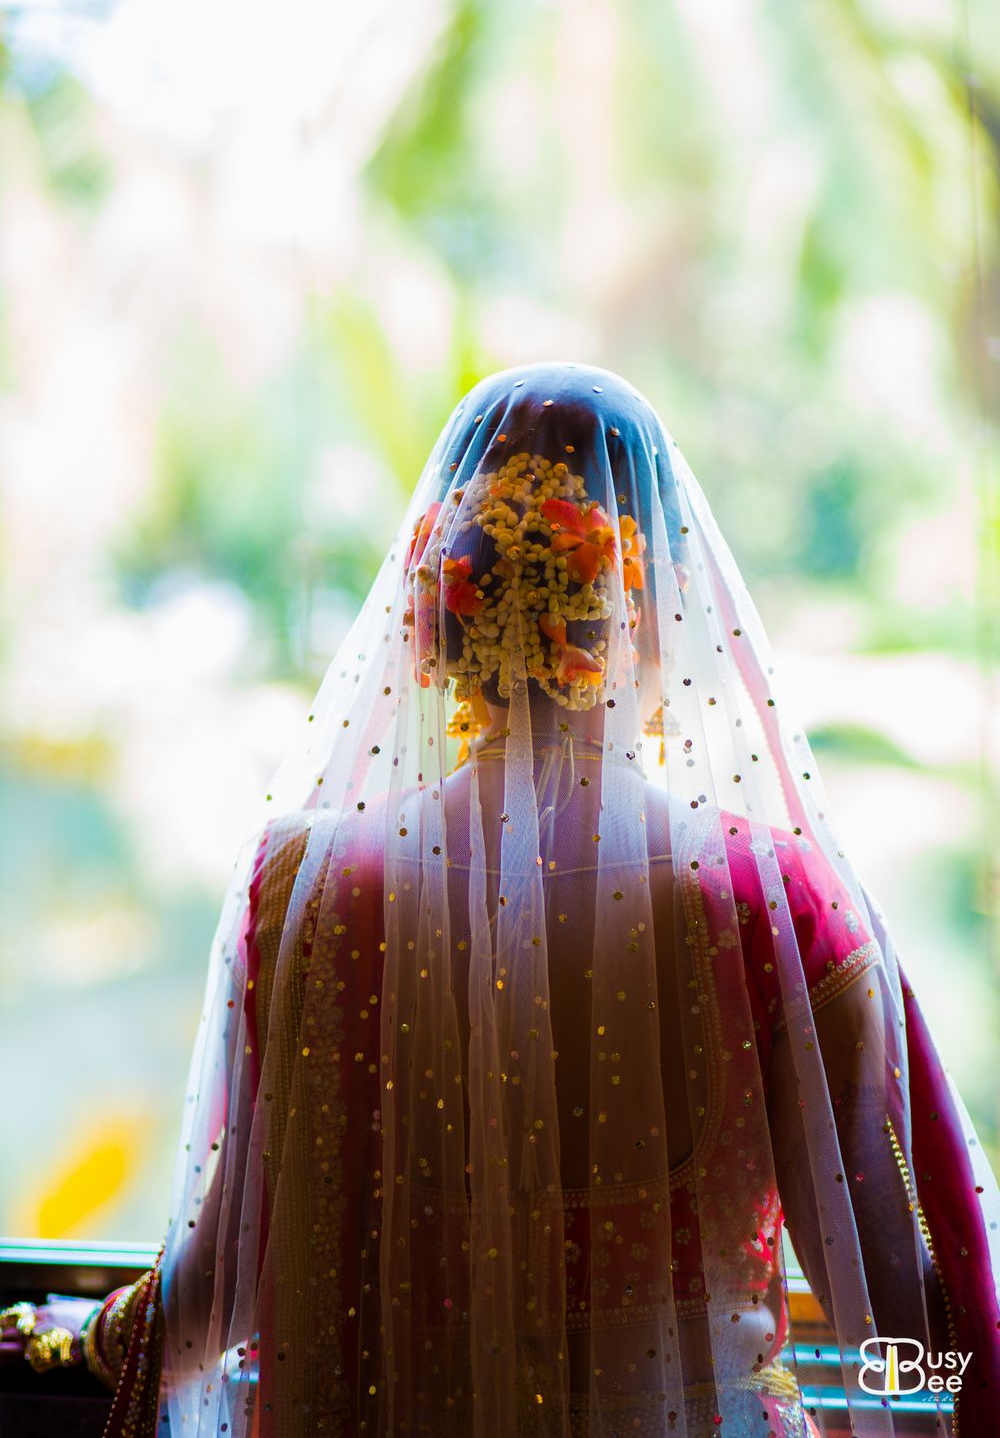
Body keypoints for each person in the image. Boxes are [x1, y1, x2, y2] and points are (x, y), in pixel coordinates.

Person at [3, 364, 997, 1437]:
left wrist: (72, 1338)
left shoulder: (306, 895)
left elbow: (225, 1289)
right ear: (660, 611)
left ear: (432, 618)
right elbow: (903, 1319)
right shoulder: (770, 905)